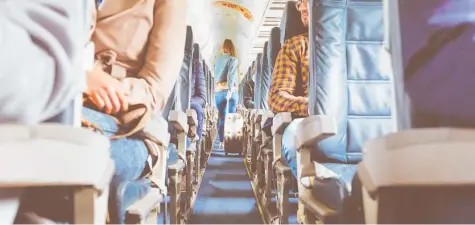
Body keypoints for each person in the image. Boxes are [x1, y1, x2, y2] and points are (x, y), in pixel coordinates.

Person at [83, 0, 187, 223]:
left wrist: (101, 84)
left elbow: (154, 88)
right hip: (55, 100)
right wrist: (82, 75)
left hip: (126, 120)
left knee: (74, 161)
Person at [268, 0, 309, 117]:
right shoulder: (296, 45)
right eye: (300, 2)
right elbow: (276, 98)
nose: (302, 8)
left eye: (308, 2)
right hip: (312, 124)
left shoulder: (355, 45)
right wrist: (310, 106)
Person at [214, 39, 239, 148]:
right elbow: (231, 75)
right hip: (230, 92)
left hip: (218, 92)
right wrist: (229, 90)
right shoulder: (233, 59)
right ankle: (231, 142)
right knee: (231, 117)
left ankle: (221, 142)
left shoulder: (217, 60)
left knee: (222, 117)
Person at [190, 43, 207, 148]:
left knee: (198, 108)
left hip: (190, 100)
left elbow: (202, 96)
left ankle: (196, 146)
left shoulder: (195, 66)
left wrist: (189, 101)